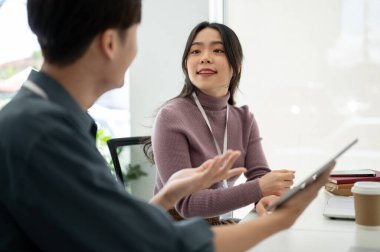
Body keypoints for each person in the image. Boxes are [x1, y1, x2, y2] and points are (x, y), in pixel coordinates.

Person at [0, 1, 334, 251]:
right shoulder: (43, 135)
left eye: (217, 51)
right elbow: (148, 244)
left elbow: (112, 226)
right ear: (110, 43)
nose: (204, 58)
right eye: (136, 31)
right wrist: (279, 220)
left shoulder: (42, 121)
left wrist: (165, 197)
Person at [146, 21, 295, 224]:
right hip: (173, 232)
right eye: (195, 51)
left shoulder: (244, 119)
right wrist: (260, 188)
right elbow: (187, 204)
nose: (205, 58)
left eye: (217, 50)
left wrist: (266, 197)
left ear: (237, 66)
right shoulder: (171, 116)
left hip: (214, 226)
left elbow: (259, 174)